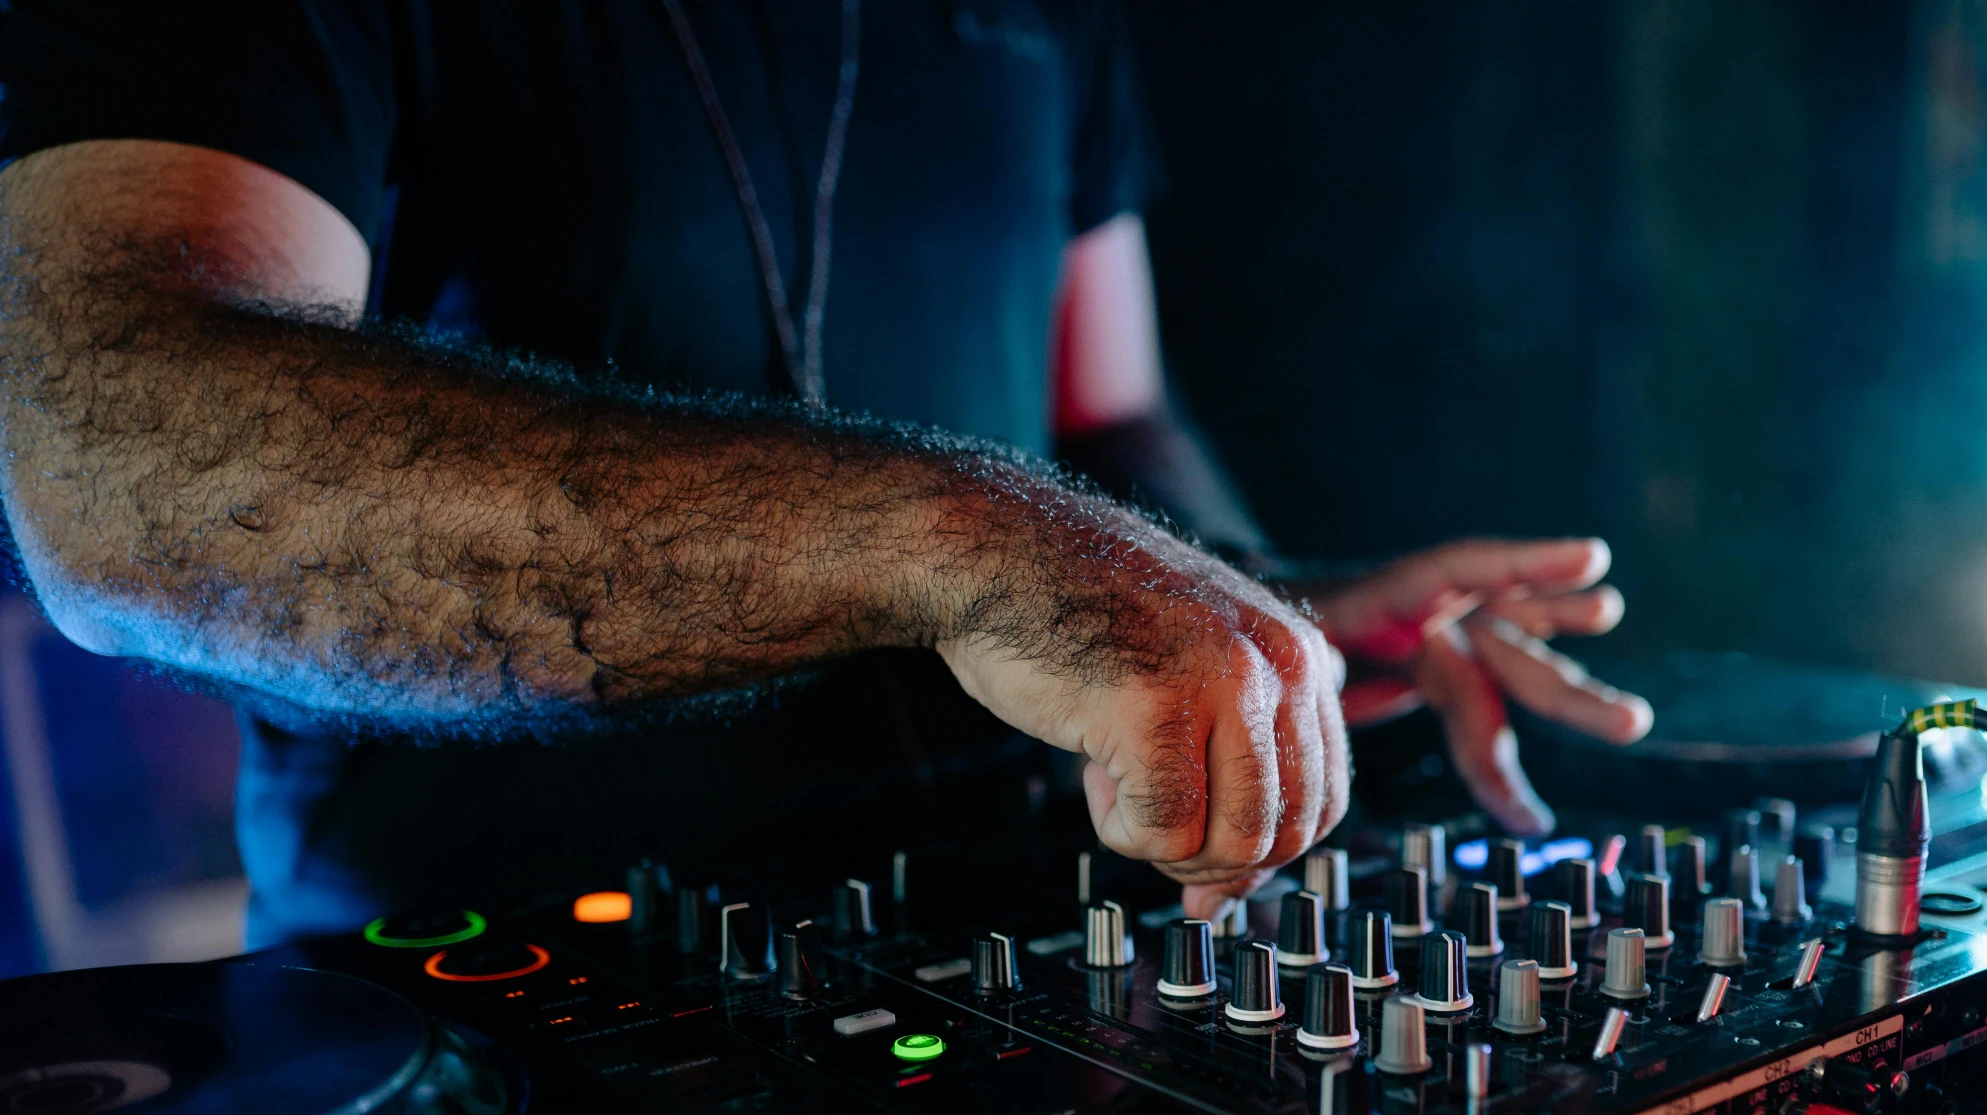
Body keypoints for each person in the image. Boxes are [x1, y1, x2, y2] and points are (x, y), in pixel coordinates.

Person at [0, 1, 1649, 942]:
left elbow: (1110, 417)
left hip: (1024, 947)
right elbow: (110, 452)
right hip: (500, 996)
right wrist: (959, 537)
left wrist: (1242, 602)